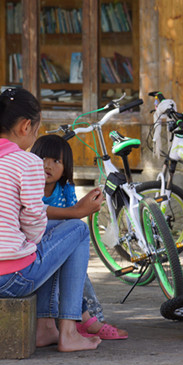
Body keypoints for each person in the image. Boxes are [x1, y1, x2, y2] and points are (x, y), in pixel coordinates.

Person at [0, 88, 100, 352]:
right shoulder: (26, 161)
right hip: (8, 280)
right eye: (37, 130)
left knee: (49, 239)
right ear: (25, 126)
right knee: (76, 229)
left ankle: (44, 329)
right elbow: (34, 221)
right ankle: (69, 331)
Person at [31, 134, 128, 340]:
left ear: (66, 167)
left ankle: (89, 319)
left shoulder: (65, 189)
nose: (47, 165)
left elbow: (73, 217)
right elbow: (46, 214)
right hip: (37, 244)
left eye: (56, 161)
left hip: (57, 243)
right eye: (42, 159)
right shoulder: (30, 187)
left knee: (77, 265)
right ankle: (90, 320)